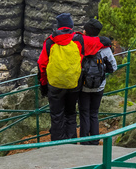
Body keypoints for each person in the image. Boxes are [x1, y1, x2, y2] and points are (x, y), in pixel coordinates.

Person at [37, 13, 105, 141]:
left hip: (55, 85)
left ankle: (57, 144)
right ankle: (71, 143)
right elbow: (97, 43)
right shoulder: (79, 39)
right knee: (70, 113)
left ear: (58, 27)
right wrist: (106, 42)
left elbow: (42, 64)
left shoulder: (50, 42)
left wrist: (44, 84)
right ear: (71, 26)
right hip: (74, 84)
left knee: (57, 115)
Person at [77, 19, 117, 145]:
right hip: (99, 86)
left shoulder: (81, 45)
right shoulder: (104, 48)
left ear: (86, 31)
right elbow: (113, 67)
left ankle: (84, 140)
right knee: (94, 113)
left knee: (84, 113)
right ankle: (94, 140)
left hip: (83, 87)